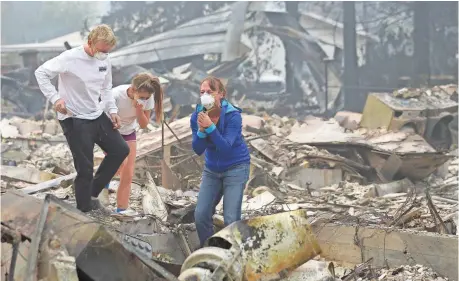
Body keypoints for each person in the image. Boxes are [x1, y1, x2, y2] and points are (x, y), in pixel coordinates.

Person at [35, 24, 129, 213]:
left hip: (96, 113)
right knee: (85, 168)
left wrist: (112, 111)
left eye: (107, 51)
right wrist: (56, 98)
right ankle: (84, 209)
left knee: (120, 149)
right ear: (90, 42)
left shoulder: (105, 59)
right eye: (101, 50)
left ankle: (91, 192)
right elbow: (41, 73)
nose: (104, 54)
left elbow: (106, 87)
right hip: (74, 117)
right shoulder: (70, 58)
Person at [191, 76, 251, 246]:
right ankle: (210, 250)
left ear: (221, 94)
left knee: (230, 218)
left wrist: (211, 127)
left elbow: (225, 147)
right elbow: (197, 149)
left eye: (210, 92)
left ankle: (233, 255)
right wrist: (202, 131)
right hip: (212, 170)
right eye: (202, 92)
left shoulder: (232, 116)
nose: (205, 96)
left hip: (236, 167)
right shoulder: (198, 115)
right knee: (201, 215)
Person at [99, 72, 163, 215]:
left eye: (147, 98)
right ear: (133, 89)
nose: (144, 100)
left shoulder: (148, 99)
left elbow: (144, 124)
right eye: (141, 97)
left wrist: (139, 109)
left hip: (128, 131)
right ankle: (100, 190)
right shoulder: (116, 95)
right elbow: (99, 116)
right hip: (109, 130)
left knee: (128, 172)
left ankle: (122, 209)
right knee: (120, 162)